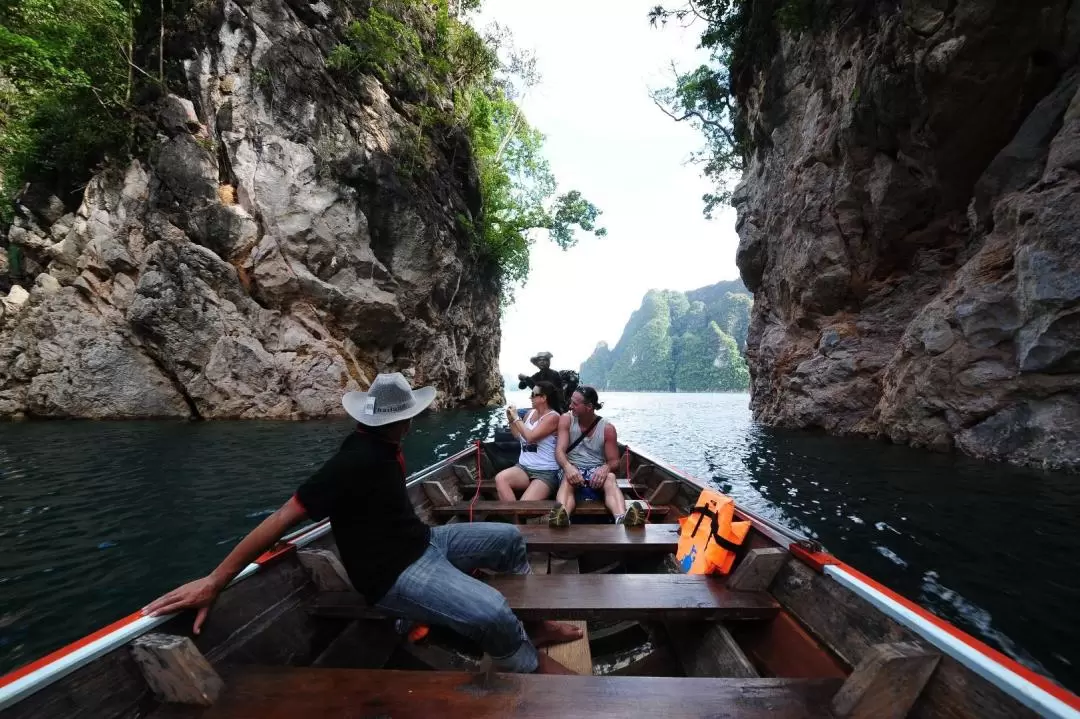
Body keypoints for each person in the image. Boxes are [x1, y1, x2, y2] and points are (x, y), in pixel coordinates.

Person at [143, 372, 580, 674]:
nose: (414, 419)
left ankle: (535, 629)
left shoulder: (385, 444)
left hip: (424, 540)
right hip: (394, 573)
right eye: (411, 414)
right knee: (492, 612)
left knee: (509, 540)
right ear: (402, 420)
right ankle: (523, 666)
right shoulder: (354, 461)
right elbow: (281, 518)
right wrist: (216, 580)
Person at [549, 386, 645, 528]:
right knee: (567, 479)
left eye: (575, 404)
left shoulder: (607, 429)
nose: (570, 406)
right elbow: (559, 451)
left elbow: (614, 461)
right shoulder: (566, 419)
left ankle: (621, 518)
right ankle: (562, 517)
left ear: (589, 406)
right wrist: (568, 468)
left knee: (610, 478)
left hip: (596, 470)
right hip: (572, 467)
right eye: (571, 402)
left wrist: (605, 469)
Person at [494, 381, 562, 503]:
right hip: (524, 468)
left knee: (524, 504)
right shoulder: (529, 414)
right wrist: (511, 420)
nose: (530, 397)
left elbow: (531, 437)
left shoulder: (553, 417)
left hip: (545, 472)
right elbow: (519, 436)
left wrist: (516, 418)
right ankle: (514, 521)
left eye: (533, 394)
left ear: (543, 398)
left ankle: (515, 519)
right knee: (500, 478)